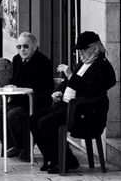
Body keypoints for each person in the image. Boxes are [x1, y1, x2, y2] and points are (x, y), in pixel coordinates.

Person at [30, 30, 116, 174]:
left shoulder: (103, 66)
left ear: (95, 49)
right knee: (33, 120)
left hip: (84, 112)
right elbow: (68, 83)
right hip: (66, 106)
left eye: (83, 50)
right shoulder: (82, 64)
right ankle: (51, 158)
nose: (80, 54)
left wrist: (70, 74)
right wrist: (59, 92)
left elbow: (90, 90)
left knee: (45, 123)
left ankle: (67, 161)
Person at [0, 32, 54, 162]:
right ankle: (12, 145)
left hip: (36, 102)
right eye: (19, 47)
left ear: (34, 46)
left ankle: (24, 147)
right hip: (18, 100)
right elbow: (15, 80)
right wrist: (11, 87)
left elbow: (41, 87)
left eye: (25, 46)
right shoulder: (17, 60)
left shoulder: (43, 62)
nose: (22, 50)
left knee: (13, 115)